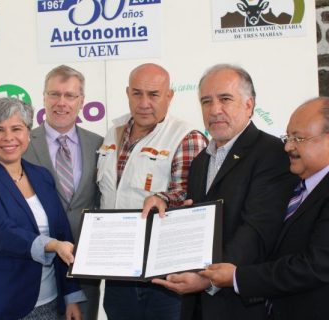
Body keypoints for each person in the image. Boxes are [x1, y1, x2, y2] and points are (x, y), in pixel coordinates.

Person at [144, 64, 298, 320]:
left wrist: (206, 277)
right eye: (206, 101)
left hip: (242, 306)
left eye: (225, 99)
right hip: (197, 305)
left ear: (249, 105)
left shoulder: (271, 153)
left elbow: (258, 230)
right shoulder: (201, 160)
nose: (215, 110)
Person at [199, 96, 329, 320]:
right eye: (288, 137)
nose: (288, 146)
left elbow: (314, 266)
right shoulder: (294, 188)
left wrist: (237, 277)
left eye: (298, 138)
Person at [97, 63, 208, 320]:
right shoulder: (112, 134)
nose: (144, 102)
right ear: (127, 93)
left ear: (169, 96)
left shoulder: (186, 137)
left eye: (154, 94)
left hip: (164, 276)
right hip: (118, 270)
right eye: (137, 93)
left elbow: (190, 197)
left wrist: (161, 198)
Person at [0, 97, 84, 320]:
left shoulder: (41, 175)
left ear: (28, 133)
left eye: (16, 128)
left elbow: (62, 231)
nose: (9, 137)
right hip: (0, 303)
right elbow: (1, 233)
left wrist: (71, 295)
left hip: (49, 302)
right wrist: (53, 245)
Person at [24, 65, 103, 320]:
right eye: (54, 94)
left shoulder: (100, 144)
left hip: (84, 263)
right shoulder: (20, 143)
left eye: (69, 96)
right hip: (35, 263)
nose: (61, 103)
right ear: (43, 97)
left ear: (81, 101)